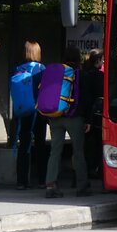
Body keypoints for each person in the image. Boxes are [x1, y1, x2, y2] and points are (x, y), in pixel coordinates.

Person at [44, 45, 90, 198]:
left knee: (55, 151)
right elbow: (85, 98)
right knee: (78, 152)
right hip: (74, 117)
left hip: (55, 117)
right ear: (78, 58)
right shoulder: (80, 74)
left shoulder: (55, 72)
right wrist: (87, 119)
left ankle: (50, 185)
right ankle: (82, 186)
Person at [11, 41, 45, 189]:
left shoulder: (18, 69)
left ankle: (21, 181)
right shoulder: (41, 69)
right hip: (38, 111)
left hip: (24, 111)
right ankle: (42, 180)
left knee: (24, 144)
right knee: (40, 144)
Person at [81, 49, 105, 179]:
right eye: (102, 59)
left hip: (86, 114)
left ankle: (88, 170)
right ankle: (99, 172)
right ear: (97, 61)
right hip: (97, 115)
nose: (103, 62)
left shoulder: (84, 74)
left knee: (87, 146)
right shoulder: (100, 76)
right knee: (100, 145)